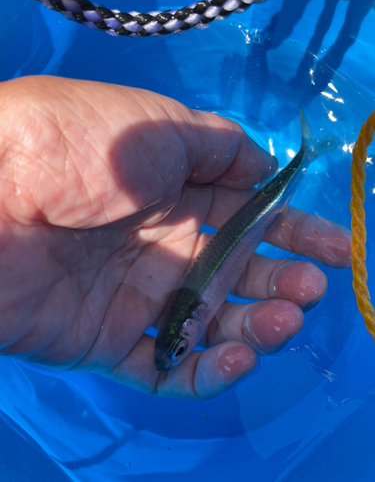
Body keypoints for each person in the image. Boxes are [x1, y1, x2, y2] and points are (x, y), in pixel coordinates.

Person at [0, 75, 351, 399]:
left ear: (193, 322)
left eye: (180, 349)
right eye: (179, 350)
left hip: (250, 222)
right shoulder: (182, 317)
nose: (176, 356)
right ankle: (308, 153)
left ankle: (307, 154)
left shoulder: (189, 314)